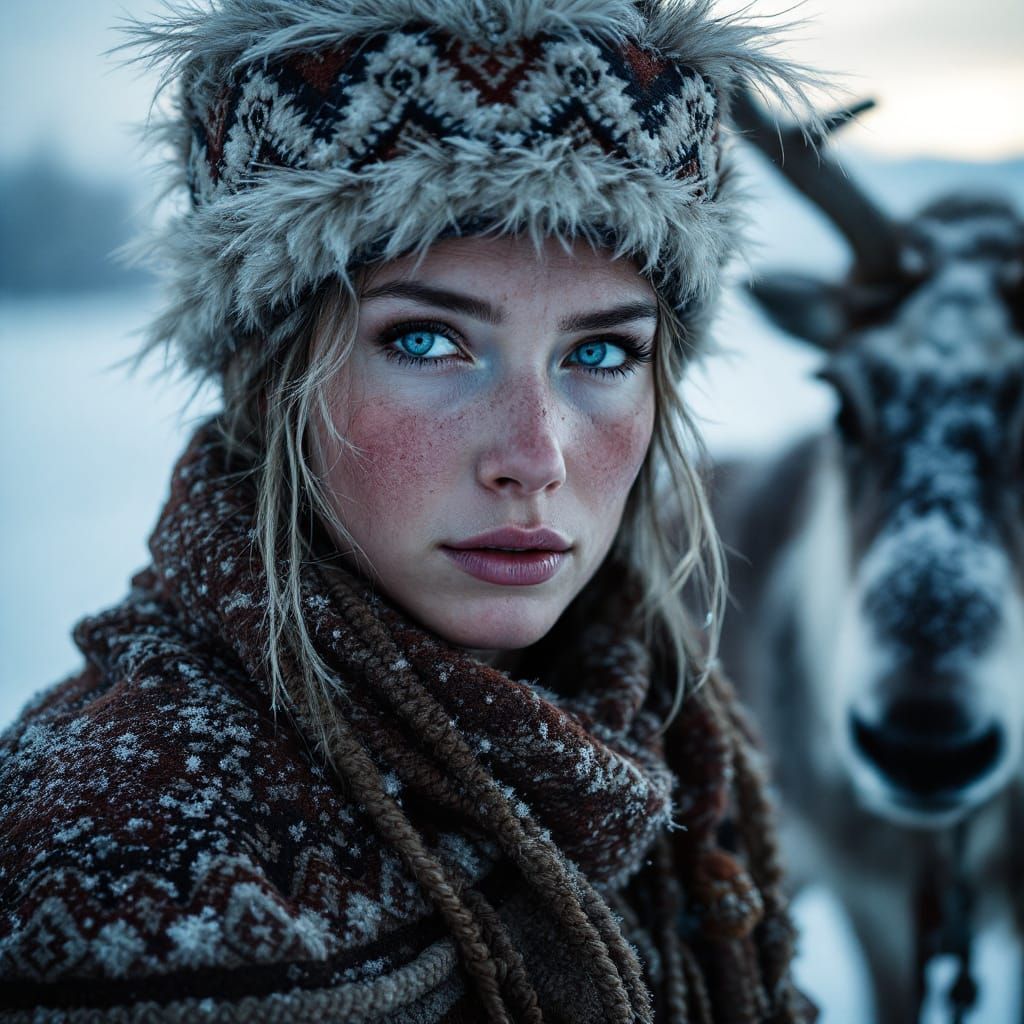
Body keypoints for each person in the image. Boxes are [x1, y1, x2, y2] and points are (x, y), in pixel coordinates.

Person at [0, 1, 818, 1021]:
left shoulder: (669, 734)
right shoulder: (123, 849)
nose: (534, 455)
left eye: (600, 352)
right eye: (429, 341)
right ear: (271, 377)